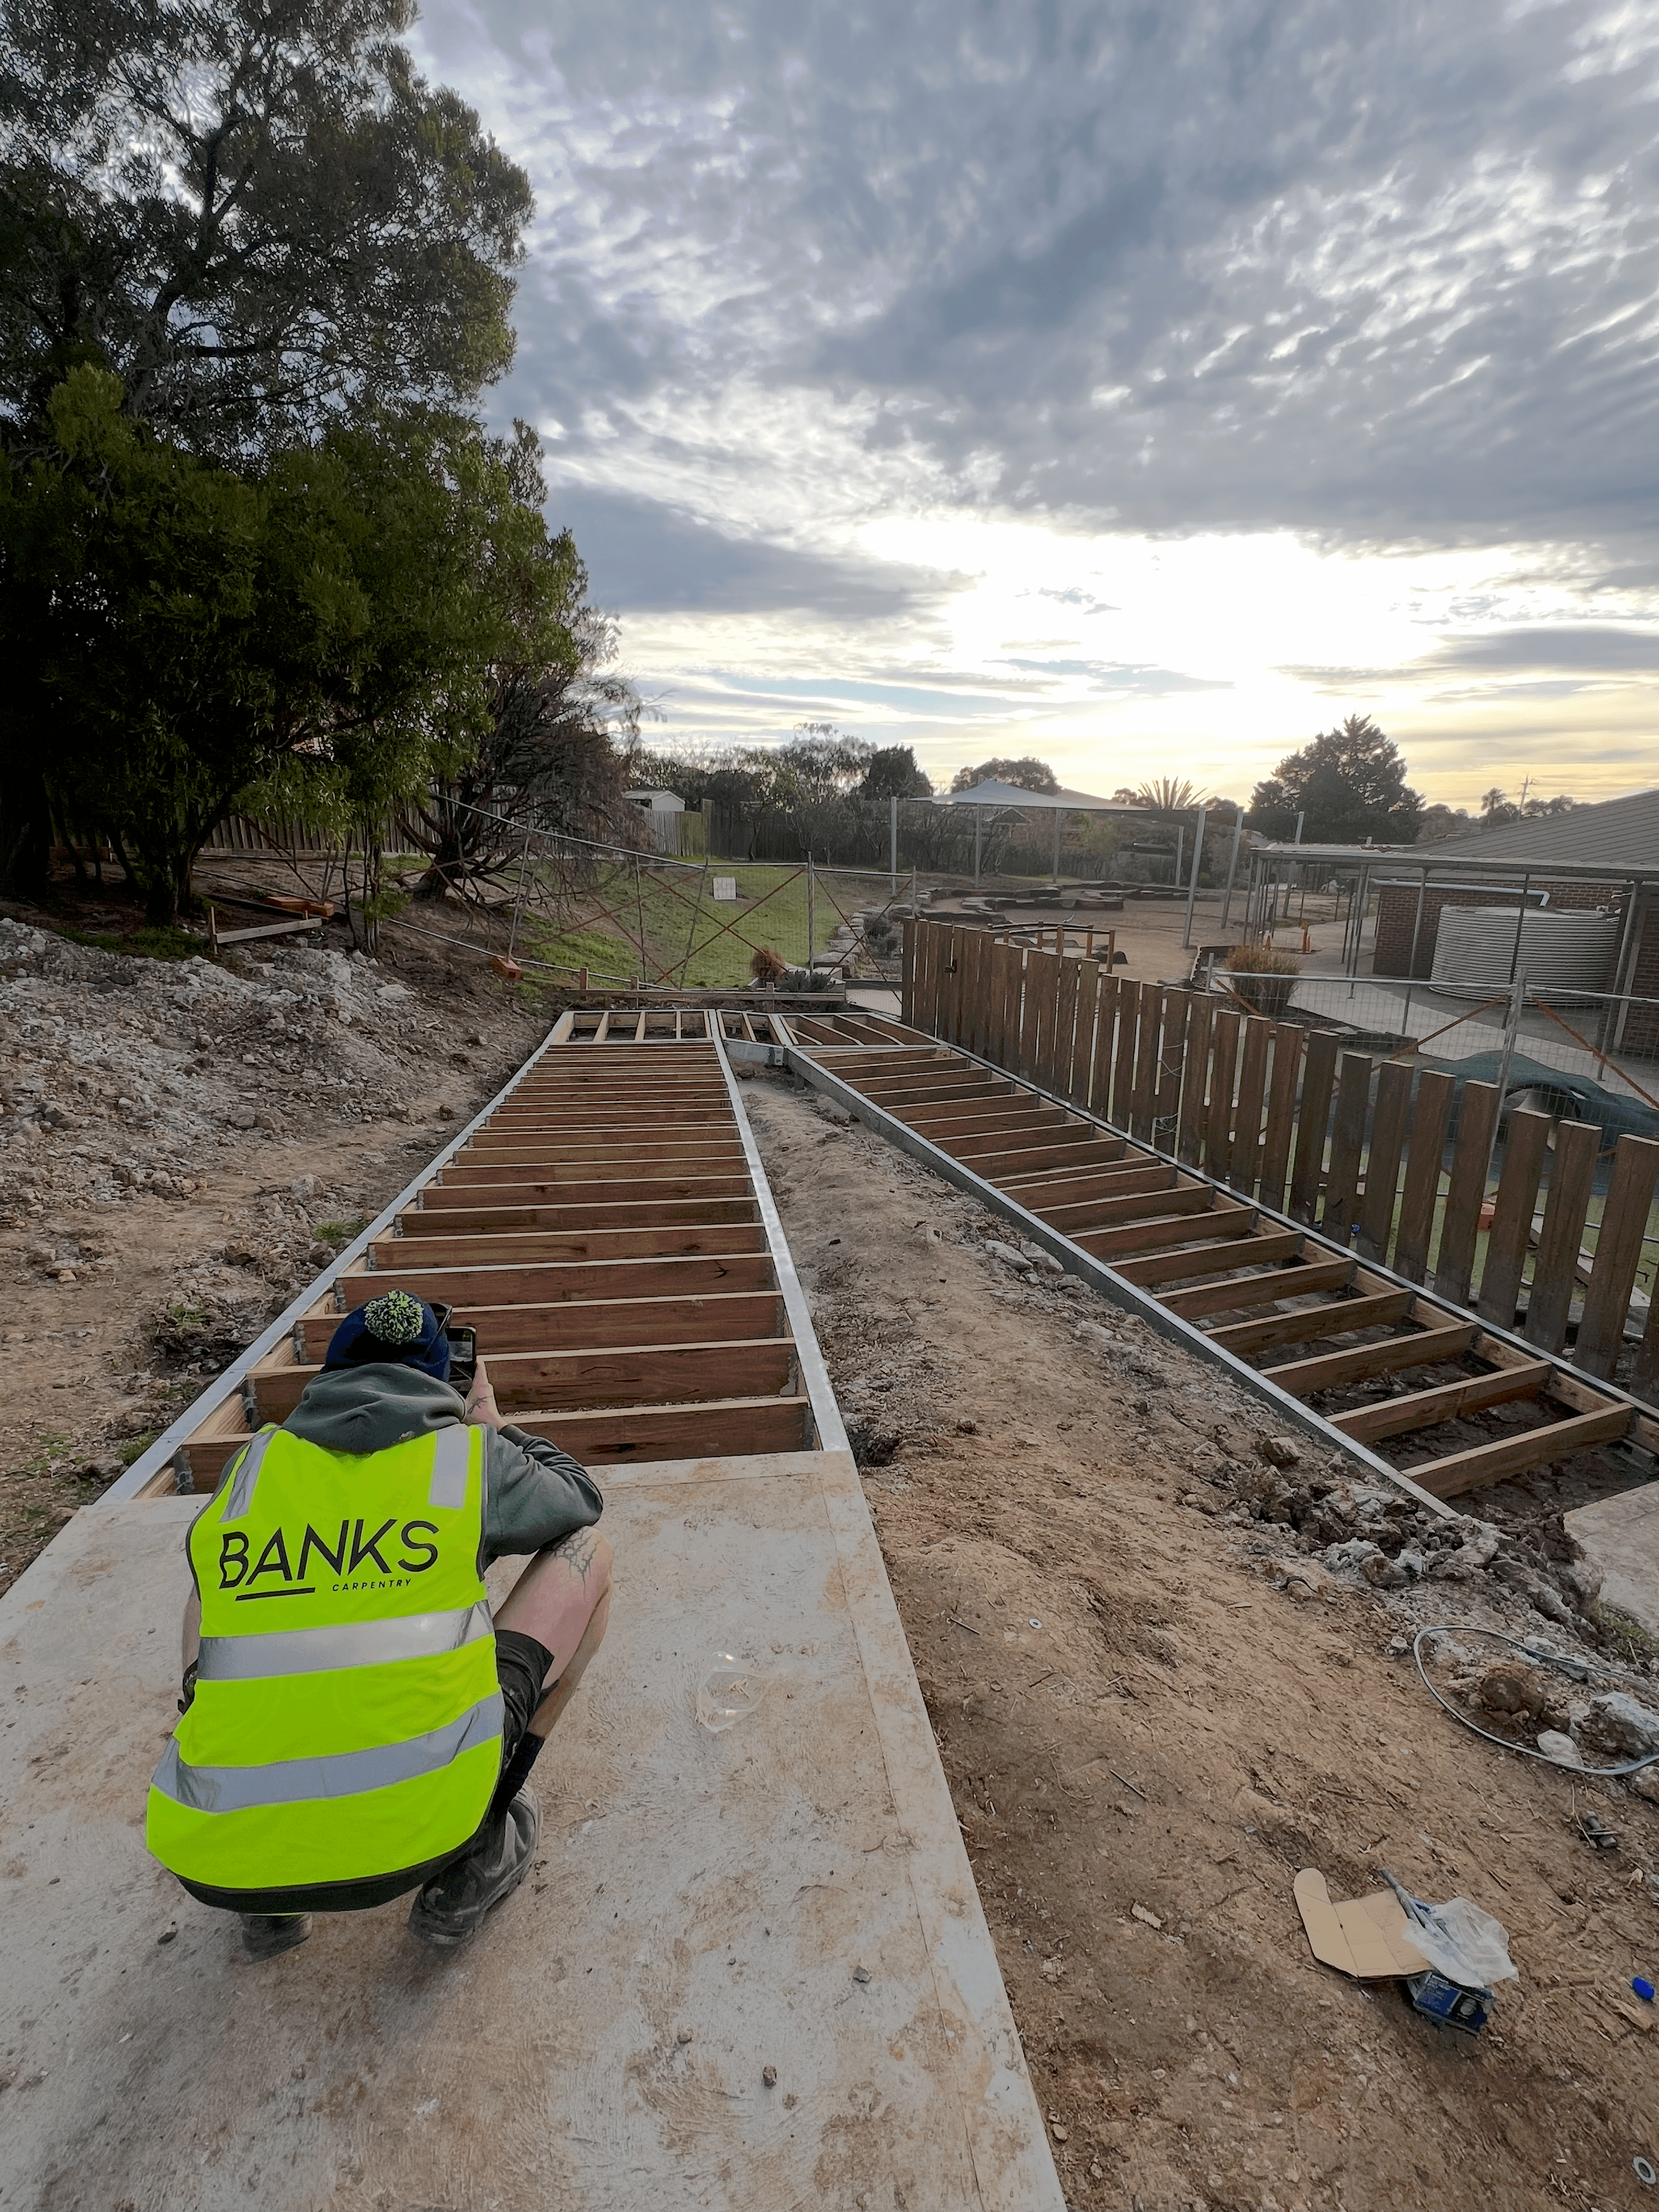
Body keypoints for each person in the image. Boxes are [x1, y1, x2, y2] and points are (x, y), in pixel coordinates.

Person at [145, 1289, 612, 1959]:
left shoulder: (256, 1467)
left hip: (212, 1854)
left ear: (328, 1376)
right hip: (424, 1829)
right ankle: (477, 1853)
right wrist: (488, 1421)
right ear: (442, 1376)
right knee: (589, 1556)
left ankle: (267, 1900)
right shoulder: (467, 1459)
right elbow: (579, 1496)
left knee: (212, 1575)